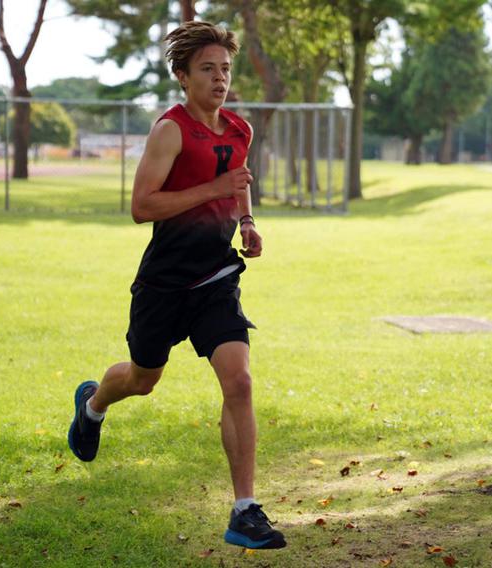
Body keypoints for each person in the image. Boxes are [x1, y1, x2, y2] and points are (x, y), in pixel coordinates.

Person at [66, 21, 286, 550]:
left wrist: (248, 221)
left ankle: (244, 510)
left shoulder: (238, 129)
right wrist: (212, 188)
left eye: (226, 69)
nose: (220, 78)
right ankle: (93, 404)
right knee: (143, 379)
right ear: (183, 78)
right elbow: (142, 206)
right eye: (207, 69)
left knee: (239, 381)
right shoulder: (170, 130)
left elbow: (238, 181)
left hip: (216, 279)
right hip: (165, 284)